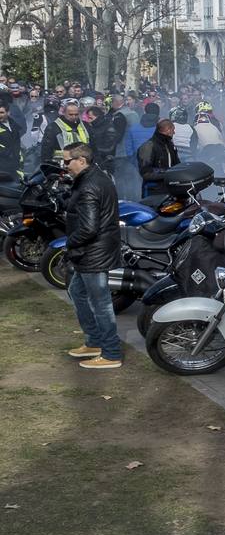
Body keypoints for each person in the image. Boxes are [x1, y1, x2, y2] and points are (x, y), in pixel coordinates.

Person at [60, 144, 123, 369]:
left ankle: (111, 353)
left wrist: (69, 243)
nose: (64, 166)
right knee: (76, 291)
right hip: (92, 250)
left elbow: (88, 228)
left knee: (101, 303)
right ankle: (94, 341)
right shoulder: (94, 177)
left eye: (67, 161)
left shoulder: (89, 185)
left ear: (82, 161)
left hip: (93, 252)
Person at [136, 119, 179, 194]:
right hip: (153, 191)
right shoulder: (148, 147)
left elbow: (177, 164)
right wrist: (168, 173)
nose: (174, 132)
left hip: (169, 188)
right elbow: (146, 173)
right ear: (167, 130)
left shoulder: (170, 145)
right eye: (173, 130)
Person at [43, 99, 90, 163]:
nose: (74, 117)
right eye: (70, 114)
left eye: (76, 114)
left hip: (82, 164)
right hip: (62, 166)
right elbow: (46, 151)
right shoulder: (54, 127)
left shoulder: (85, 126)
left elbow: (93, 146)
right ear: (64, 113)